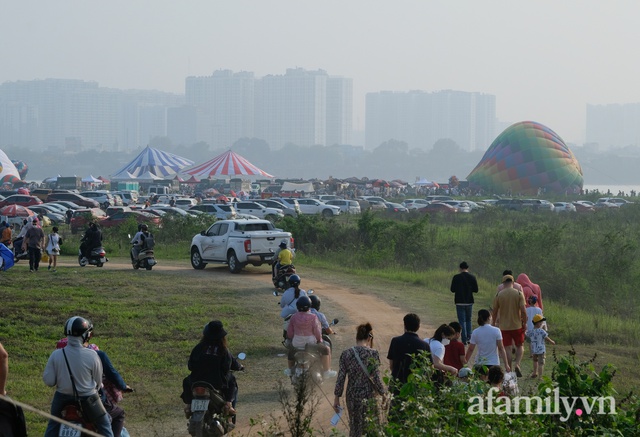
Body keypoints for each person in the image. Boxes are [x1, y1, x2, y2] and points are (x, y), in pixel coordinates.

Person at [43, 316, 114, 437]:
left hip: (62, 398)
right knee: (104, 425)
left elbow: (49, 381)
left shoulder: (56, 355)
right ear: (85, 335)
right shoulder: (92, 355)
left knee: (53, 425)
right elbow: (97, 382)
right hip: (88, 398)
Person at [56, 337, 133, 437]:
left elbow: (49, 380)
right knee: (117, 415)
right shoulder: (95, 355)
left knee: (53, 423)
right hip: (91, 400)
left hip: (65, 401)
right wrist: (123, 386)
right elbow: (102, 380)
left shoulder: (59, 358)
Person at [181, 321, 244, 422]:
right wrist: (240, 367)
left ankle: (188, 405)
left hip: (197, 380)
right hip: (217, 383)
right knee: (232, 380)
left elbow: (190, 366)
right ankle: (228, 405)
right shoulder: (223, 350)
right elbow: (227, 367)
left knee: (186, 381)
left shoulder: (198, 348)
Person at [333, 323, 385, 437]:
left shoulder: (346, 354)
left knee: (355, 427)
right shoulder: (373, 353)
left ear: (357, 337)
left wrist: (336, 398)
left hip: (352, 395)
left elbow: (341, 378)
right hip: (369, 395)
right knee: (372, 426)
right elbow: (376, 377)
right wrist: (383, 394)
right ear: (369, 338)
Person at [285, 296, 336, 379]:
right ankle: (326, 371)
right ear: (309, 306)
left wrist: (291, 338)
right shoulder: (313, 317)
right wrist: (319, 341)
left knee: (291, 351)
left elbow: (290, 333)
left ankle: (290, 370)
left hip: (296, 344)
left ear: (297, 306)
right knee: (326, 349)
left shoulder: (293, 317)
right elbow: (317, 332)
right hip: (311, 344)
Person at [492, 275, 526, 376]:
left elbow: (494, 311)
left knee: (507, 348)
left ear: (503, 283)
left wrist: (493, 323)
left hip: (504, 326)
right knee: (520, 346)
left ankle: (509, 370)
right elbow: (523, 310)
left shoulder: (499, 295)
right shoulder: (519, 293)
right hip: (517, 325)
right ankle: (518, 364)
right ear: (513, 282)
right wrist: (524, 322)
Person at [387, 313, 429, 387]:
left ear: (404, 325)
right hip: (415, 386)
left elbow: (391, 365)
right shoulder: (424, 345)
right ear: (418, 327)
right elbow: (428, 368)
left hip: (397, 383)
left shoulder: (395, 341)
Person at [465, 309, 510, 373]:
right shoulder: (496, 331)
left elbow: (470, 349)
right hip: (494, 363)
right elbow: (501, 348)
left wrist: (465, 362)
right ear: (489, 318)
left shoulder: (475, 332)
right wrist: (506, 364)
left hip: (480, 363)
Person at [450, 261, 479, 344]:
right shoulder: (472, 277)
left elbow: (452, 290)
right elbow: (476, 290)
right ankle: (470, 337)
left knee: (461, 321)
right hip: (469, 301)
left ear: (460, 268)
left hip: (459, 301)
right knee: (468, 320)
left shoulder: (456, 277)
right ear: (467, 268)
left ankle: (464, 339)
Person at [525, 314, 555, 378]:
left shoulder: (531, 331)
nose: (542, 323)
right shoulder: (542, 331)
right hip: (541, 349)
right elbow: (546, 337)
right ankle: (540, 376)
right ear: (538, 323)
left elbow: (526, 334)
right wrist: (551, 341)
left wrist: (524, 328)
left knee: (535, 361)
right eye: (541, 322)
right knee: (541, 363)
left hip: (534, 350)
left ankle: (534, 372)